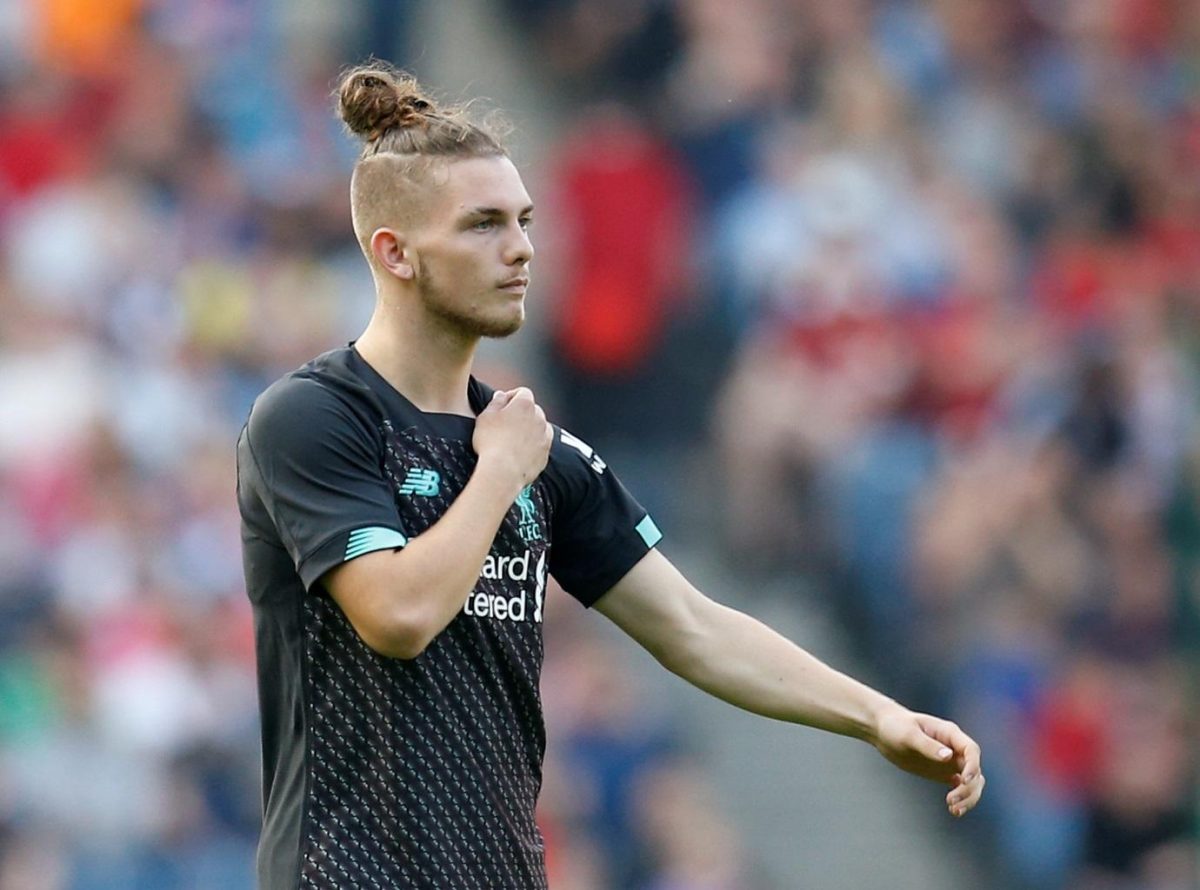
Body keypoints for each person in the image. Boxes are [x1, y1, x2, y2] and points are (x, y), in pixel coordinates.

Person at [235, 61, 986, 890]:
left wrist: (876, 715)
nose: (521, 248)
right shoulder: (315, 419)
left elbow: (694, 627)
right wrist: (498, 474)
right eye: (483, 225)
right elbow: (397, 616)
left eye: (524, 221)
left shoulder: (541, 452)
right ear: (395, 253)